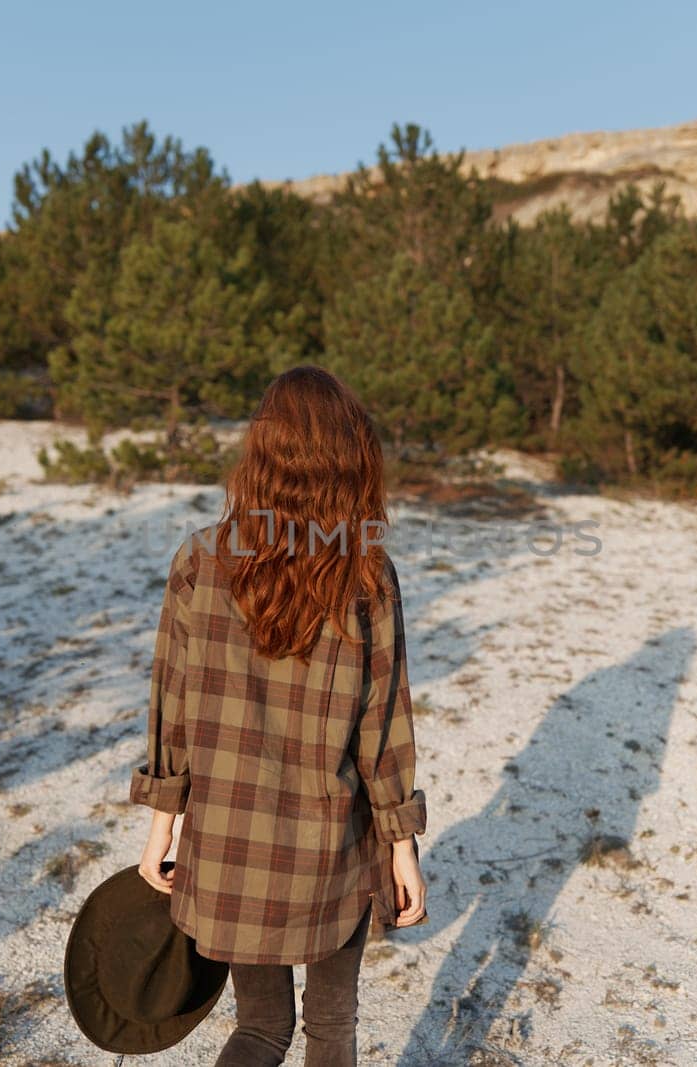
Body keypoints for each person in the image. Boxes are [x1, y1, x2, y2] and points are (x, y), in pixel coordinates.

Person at [131, 365, 429, 1066]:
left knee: (260, 1027)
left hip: (229, 844)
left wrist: (161, 824)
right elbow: (384, 725)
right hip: (329, 848)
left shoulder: (201, 558)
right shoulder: (366, 571)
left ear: (261, 452)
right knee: (331, 1029)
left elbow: (170, 703)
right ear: (346, 457)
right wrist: (400, 843)